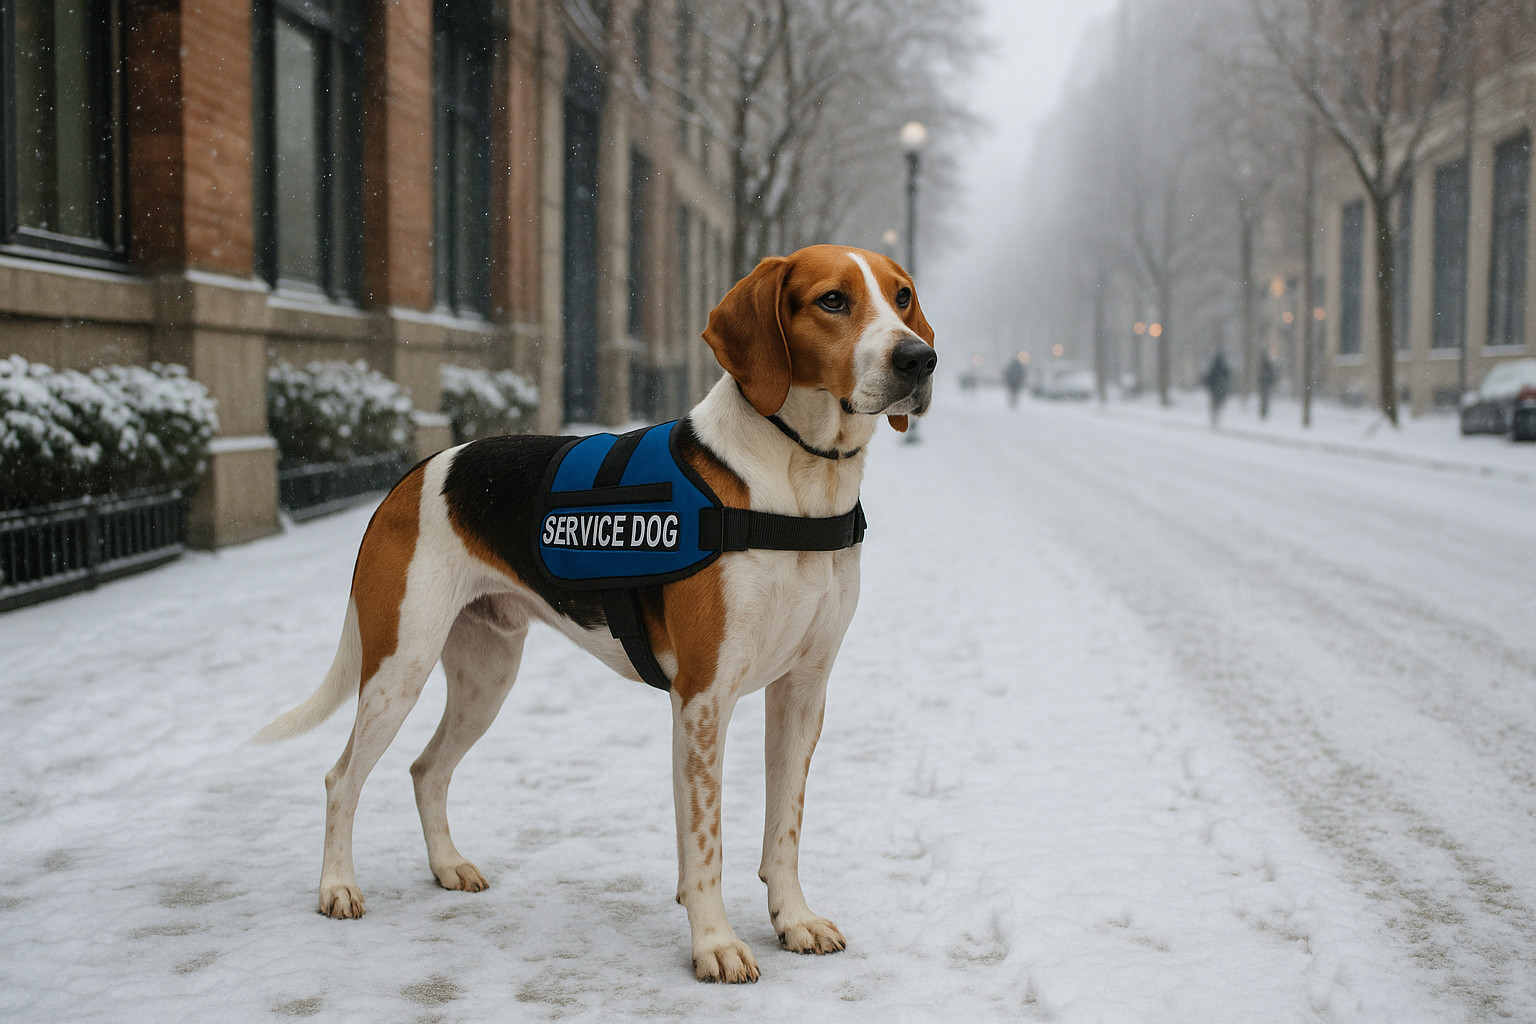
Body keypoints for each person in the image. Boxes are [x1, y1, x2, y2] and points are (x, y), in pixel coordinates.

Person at [1203, 351, 1232, 426]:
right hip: (1220, 389)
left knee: (1214, 404)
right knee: (1218, 404)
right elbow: (1228, 376)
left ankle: (1214, 417)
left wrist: (1209, 386)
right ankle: (1216, 416)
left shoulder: (1214, 367)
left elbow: (1209, 378)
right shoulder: (1223, 367)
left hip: (1215, 389)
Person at [1258, 354, 1277, 420]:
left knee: (1265, 400)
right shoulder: (1266, 367)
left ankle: (1264, 412)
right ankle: (1263, 412)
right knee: (1264, 400)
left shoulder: (1266, 367)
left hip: (1265, 386)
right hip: (1265, 386)